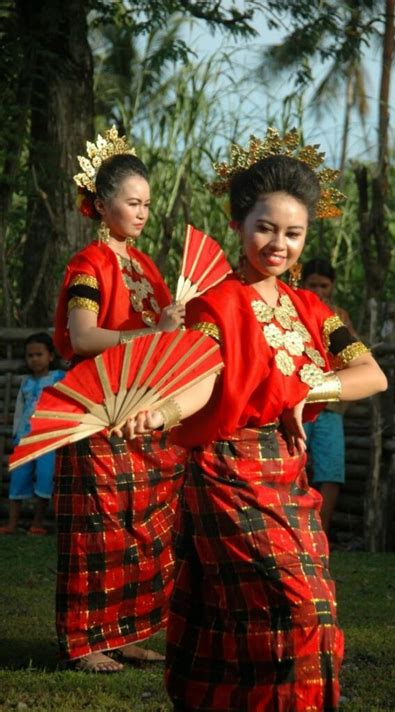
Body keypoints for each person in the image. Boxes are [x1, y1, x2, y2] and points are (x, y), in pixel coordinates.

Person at [121, 129, 388, 710]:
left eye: (293, 233)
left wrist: (309, 388)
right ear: (239, 224)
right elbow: (203, 380)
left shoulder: (313, 309)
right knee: (297, 604)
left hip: (288, 474)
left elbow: (371, 374)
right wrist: (160, 411)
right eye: (265, 227)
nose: (278, 243)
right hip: (226, 472)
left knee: (267, 609)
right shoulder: (215, 303)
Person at [53, 127, 186, 672]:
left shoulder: (148, 267)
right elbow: (83, 337)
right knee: (99, 524)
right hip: (97, 407)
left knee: (147, 523)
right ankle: (86, 641)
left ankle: (128, 631)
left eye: (147, 204)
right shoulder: (88, 265)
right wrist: (152, 335)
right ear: (102, 204)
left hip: (144, 409)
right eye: (132, 202)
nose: (142, 212)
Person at [300, 258, 357, 536]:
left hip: (331, 405)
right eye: (313, 285)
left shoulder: (339, 316)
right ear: (302, 284)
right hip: (297, 402)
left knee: (331, 470)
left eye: (324, 285)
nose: (319, 291)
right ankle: (296, 531)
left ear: (332, 287)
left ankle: (319, 534)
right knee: (294, 466)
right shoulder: (292, 308)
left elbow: (353, 354)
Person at [0, 333, 65, 536]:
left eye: (39, 354)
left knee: (45, 477)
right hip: (25, 438)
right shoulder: (26, 383)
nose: (34, 359)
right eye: (30, 355)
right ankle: (12, 523)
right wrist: (15, 434)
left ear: (51, 356)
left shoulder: (59, 378)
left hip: (48, 438)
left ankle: (37, 523)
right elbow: (20, 408)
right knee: (18, 477)